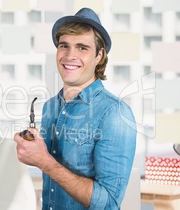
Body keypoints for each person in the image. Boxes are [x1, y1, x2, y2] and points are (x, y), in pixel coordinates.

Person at [14, 7, 137, 210]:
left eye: (82, 48)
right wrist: (32, 151)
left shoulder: (115, 114)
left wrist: (44, 161)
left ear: (99, 56)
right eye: (64, 45)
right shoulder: (50, 107)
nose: (70, 55)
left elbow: (108, 203)